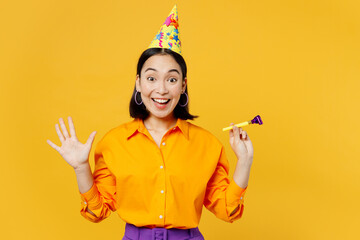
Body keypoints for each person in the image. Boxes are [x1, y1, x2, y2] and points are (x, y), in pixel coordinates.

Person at [47, 5, 254, 240]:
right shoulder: (113, 143)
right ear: (138, 83)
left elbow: (228, 211)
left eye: (172, 79)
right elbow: (97, 211)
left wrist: (244, 162)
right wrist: (81, 167)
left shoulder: (207, 144)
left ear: (183, 85)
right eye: (152, 78)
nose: (162, 89)